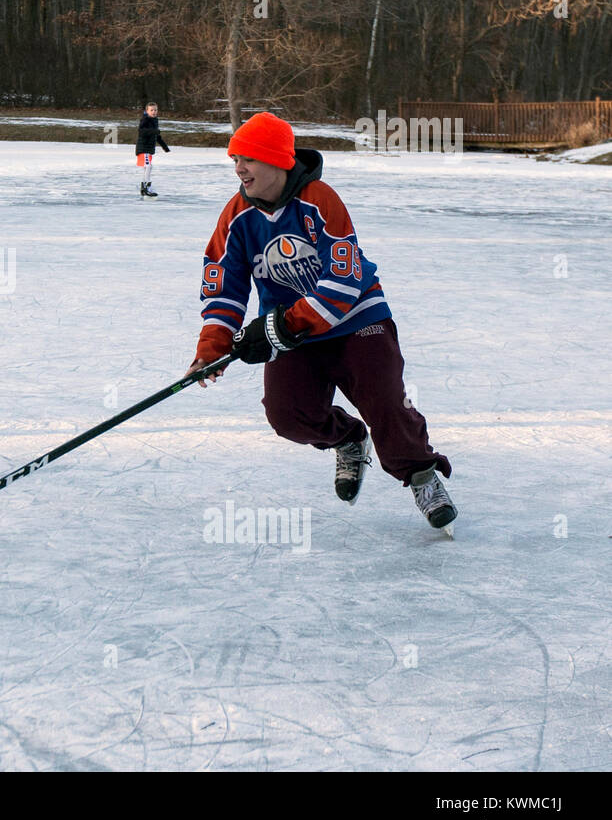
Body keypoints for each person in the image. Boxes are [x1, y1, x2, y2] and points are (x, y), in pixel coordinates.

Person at [183, 112, 456, 532]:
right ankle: (347, 439)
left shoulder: (319, 198)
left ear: (277, 160)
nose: (239, 168)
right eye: (235, 158)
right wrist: (212, 349)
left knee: (383, 400)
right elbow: (224, 286)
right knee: (287, 415)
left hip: (357, 318)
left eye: (248, 158)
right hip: (293, 333)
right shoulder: (236, 216)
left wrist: (285, 324)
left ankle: (421, 473)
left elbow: (344, 279)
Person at [135, 101, 170, 197]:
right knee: (148, 167)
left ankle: (143, 188)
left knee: (147, 167)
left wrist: (164, 147)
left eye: (155, 110)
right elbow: (141, 131)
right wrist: (154, 131)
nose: (154, 112)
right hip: (143, 148)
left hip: (149, 149)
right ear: (147, 111)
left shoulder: (155, 120)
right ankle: (147, 188)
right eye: (151, 110)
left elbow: (157, 136)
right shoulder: (145, 119)